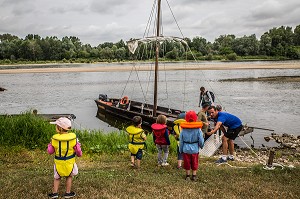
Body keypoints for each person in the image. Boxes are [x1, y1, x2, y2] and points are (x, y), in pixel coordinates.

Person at [48, 117, 82, 199]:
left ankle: (55, 193)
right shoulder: (74, 139)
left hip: (58, 162)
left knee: (57, 177)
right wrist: (79, 154)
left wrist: (50, 144)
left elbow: (50, 151)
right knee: (69, 176)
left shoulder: (54, 139)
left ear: (59, 128)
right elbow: (78, 151)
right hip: (70, 162)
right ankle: (68, 193)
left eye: (56, 125)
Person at [179, 111, 204, 181]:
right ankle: (194, 176)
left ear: (186, 118)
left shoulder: (183, 130)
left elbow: (181, 141)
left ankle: (187, 176)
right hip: (195, 148)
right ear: (195, 118)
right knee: (194, 162)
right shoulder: (198, 130)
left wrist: (180, 149)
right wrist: (201, 146)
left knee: (187, 162)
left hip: (185, 148)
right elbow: (201, 140)